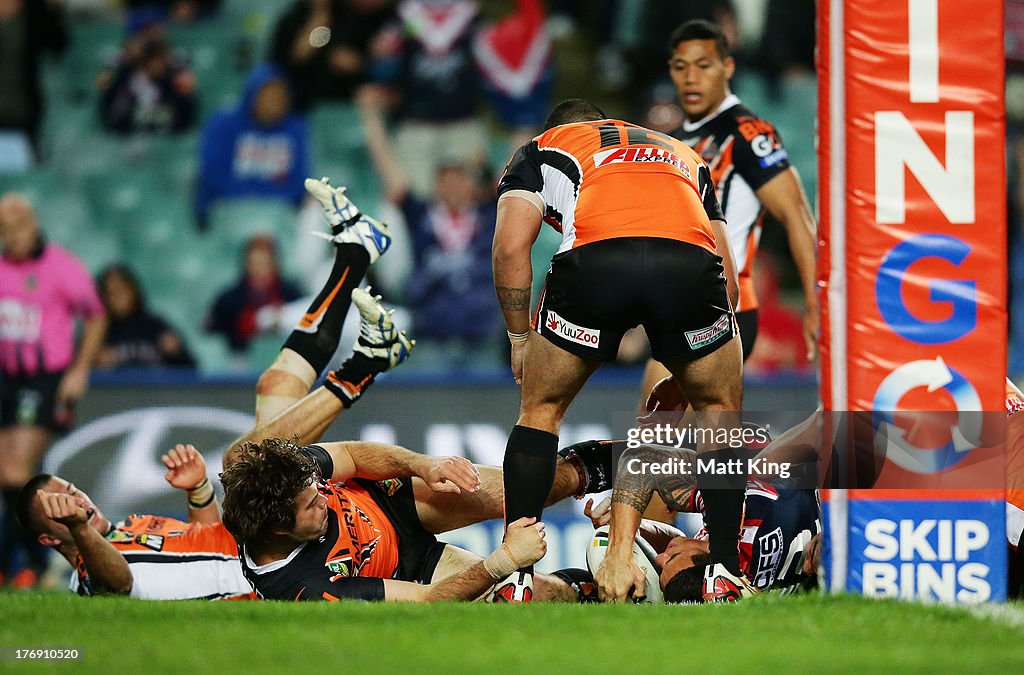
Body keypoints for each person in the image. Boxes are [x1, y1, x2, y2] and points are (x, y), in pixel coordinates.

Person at [491, 98, 750, 602]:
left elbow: (508, 246)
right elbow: (729, 278)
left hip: (597, 259)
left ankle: (516, 578)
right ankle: (723, 572)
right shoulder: (684, 153)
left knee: (541, 411)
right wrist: (697, 363)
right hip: (688, 263)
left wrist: (520, 337)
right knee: (720, 412)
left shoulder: (543, 147)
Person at [639, 18, 818, 395]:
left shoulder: (747, 134)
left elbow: (797, 217)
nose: (691, 78)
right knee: (686, 440)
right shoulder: (677, 139)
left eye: (703, 66)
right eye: (681, 67)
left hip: (725, 305)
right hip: (679, 306)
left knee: (658, 436)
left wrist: (817, 307)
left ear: (728, 67)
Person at [583, 401, 823, 602]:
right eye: (672, 558)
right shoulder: (748, 510)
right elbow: (640, 463)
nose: (659, 557)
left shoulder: (738, 584)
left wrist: (625, 531)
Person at [0, 193, 107, 588]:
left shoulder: (61, 266)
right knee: (6, 476)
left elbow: (95, 317)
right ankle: (38, 562)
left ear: (32, 224)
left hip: (44, 378)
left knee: (15, 472)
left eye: (14, 228)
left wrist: (79, 370)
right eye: (3, 230)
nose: (9, 237)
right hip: (7, 378)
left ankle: (31, 564)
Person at [357, 84, 499, 355]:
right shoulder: (421, 214)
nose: (454, 184)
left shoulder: (489, 213)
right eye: (447, 178)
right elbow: (390, 173)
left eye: (460, 177)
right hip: (431, 329)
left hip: (482, 330)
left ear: (472, 184)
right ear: (435, 185)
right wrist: (371, 118)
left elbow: (515, 174)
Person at [16, 444, 253, 599]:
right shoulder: (88, 573)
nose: (77, 502)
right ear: (49, 538)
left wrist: (198, 487)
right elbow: (118, 584)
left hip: (254, 546)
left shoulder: (136, 522)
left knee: (240, 454)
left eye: (72, 491)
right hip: (261, 577)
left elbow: (206, 537)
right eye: (61, 504)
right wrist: (79, 526)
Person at [194, 64, 309, 230]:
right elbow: (212, 174)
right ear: (253, 95)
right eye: (269, 96)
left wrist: (264, 200)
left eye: (281, 97)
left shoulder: (296, 128)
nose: (275, 102)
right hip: (225, 209)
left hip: (279, 214)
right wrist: (249, 197)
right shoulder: (223, 123)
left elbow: (301, 180)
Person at [268, 0, 395, 109]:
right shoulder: (291, 20)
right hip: (301, 105)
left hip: (346, 105)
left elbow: (369, 57)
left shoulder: (351, 16)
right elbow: (288, 61)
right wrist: (319, 20)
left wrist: (358, 62)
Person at [205, 236, 304, 357]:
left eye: (265, 263)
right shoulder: (228, 299)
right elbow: (214, 335)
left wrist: (283, 319)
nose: (259, 270)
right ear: (245, 264)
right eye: (254, 264)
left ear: (275, 263)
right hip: (238, 362)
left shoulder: (291, 294)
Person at [0, 0, 69, 164]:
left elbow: (57, 44)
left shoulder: (34, 9)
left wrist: (53, 9)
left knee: (26, 176)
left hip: (22, 110)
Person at [96, 264, 196, 369]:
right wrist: (95, 363)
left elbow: (192, 369)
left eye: (121, 290)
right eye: (110, 293)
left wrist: (176, 354)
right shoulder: (97, 333)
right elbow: (79, 375)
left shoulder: (155, 326)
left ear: (133, 291)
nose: (116, 297)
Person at [97, 33, 198, 135]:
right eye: (154, 60)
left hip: (166, 128)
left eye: (161, 60)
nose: (158, 65)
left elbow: (183, 114)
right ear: (145, 61)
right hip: (131, 128)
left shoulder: (171, 78)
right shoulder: (127, 75)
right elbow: (115, 108)